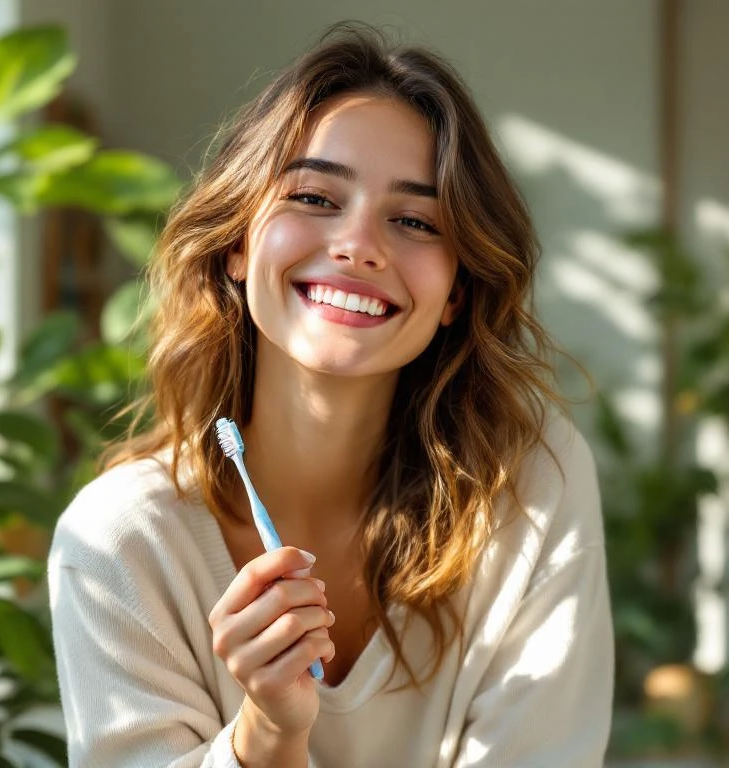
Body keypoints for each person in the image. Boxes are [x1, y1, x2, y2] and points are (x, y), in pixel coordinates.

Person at [48, 23, 613, 768]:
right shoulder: (119, 544)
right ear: (238, 245)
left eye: (413, 220)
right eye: (315, 197)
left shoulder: (532, 485)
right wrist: (267, 736)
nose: (357, 244)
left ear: (456, 291)